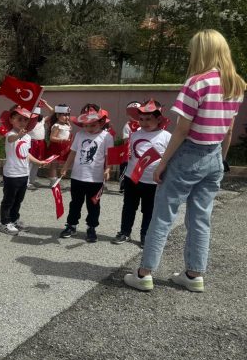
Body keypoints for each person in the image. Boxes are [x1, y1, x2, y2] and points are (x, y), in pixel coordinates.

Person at [124, 29, 245, 293]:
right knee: (201, 218)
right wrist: (221, 160)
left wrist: (163, 163)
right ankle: (194, 274)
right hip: (214, 155)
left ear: (201, 51)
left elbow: (181, 129)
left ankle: (144, 273)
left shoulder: (196, 83)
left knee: (163, 216)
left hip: (189, 154)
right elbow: (228, 129)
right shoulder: (236, 84)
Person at [111, 99, 171, 248]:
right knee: (129, 207)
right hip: (132, 178)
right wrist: (125, 155)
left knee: (149, 210)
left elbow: (170, 158)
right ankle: (125, 232)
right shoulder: (135, 134)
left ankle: (146, 235)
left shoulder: (166, 136)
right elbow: (129, 152)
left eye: (148, 119)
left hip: (152, 181)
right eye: (141, 119)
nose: (144, 123)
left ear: (159, 119)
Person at [58, 106, 113, 243]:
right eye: (86, 125)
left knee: (93, 205)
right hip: (77, 176)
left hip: (95, 178)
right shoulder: (80, 134)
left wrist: (108, 169)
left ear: (101, 122)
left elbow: (110, 156)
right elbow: (73, 152)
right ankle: (71, 225)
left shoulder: (107, 136)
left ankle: (91, 227)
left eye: (93, 125)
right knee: (75, 203)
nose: (89, 128)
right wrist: (65, 167)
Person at [0, 106, 50, 235]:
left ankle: (14, 219)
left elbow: (26, 154)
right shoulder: (10, 134)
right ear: (11, 120)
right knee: (8, 200)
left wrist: (39, 162)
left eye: (25, 120)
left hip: (24, 173)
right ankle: (5, 223)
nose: (22, 122)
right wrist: (18, 135)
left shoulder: (27, 137)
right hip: (11, 174)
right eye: (19, 119)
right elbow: (11, 139)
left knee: (18, 200)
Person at [46, 105, 72, 185]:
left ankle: (55, 178)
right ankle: (53, 180)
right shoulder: (57, 126)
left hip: (63, 147)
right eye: (64, 115)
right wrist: (62, 140)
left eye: (68, 115)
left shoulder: (66, 125)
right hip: (56, 147)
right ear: (57, 115)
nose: (67, 117)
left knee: (58, 165)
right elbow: (52, 138)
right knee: (54, 165)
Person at [28, 103, 51, 187]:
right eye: (34, 115)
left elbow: (53, 113)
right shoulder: (28, 122)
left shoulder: (42, 120)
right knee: (29, 163)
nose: (35, 116)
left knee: (37, 163)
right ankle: (26, 182)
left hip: (41, 143)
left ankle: (32, 180)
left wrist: (46, 104)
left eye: (37, 115)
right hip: (31, 143)